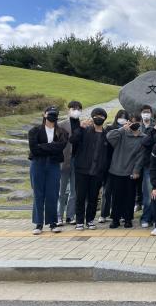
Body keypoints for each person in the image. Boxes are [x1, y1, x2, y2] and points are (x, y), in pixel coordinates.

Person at [28, 106, 68, 235]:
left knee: (52, 194)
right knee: (38, 194)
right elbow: (34, 149)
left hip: (53, 165)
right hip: (37, 164)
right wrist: (51, 147)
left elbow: (60, 147)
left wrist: (43, 147)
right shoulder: (34, 131)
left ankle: (52, 223)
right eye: (49, 113)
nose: (52, 115)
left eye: (54, 113)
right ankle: (38, 224)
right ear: (44, 114)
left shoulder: (62, 132)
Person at [69, 108, 109, 230]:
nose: (99, 118)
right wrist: (80, 127)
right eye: (96, 115)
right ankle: (79, 221)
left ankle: (90, 220)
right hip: (82, 170)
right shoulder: (85, 131)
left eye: (101, 116)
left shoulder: (107, 135)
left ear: (104, 118)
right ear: (92, 117)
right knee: (80, 197)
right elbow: (72, 140)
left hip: (98, 172)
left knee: (93, 197)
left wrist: (104, 169)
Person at [106, 113, 146, 229]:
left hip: (131, 172)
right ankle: (115, 219)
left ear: (141, 123)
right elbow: (109, 137)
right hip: (116, 170)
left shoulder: (143, 137)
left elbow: (141, 157)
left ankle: (128, 219)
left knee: (130, 196)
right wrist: (122, 128)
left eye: (138, 122)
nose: (135, 124)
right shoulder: (122, 133)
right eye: (133, 122)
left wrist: (136, 171)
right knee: (117, 196)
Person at [99, 110, 129, 223]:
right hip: (109, 163)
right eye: (120, 117)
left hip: (122, 163)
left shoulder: (128, 130)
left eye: (125, 117)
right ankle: (103, 214)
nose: (122, 119)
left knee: (120, 191)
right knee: (107, 190)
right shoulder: (110, 128)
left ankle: (119, 213)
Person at [57, 100, 82, 225]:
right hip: (64, 160)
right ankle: (59, 215)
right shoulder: (61, 125)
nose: (76, 111)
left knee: (74, 191)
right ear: (69, 110)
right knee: (62, 191)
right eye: (74, 108)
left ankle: (70, 215)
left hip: (77, 161)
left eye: (78, 109)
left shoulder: (82, 125)